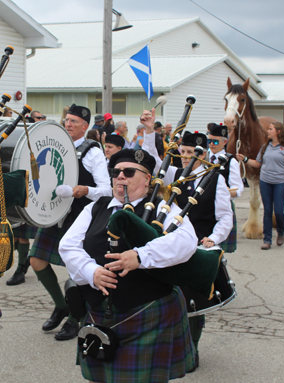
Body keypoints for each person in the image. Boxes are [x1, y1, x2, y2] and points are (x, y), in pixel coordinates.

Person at [59, 148, 197, 382]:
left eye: (129, 172)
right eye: (116, 172)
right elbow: (68, 245)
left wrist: (141, 256)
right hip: (100, 312)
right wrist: (91, 272)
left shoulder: (164, 209)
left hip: (149, 311)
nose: (120, 176)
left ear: (147, 180)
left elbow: (186, 242)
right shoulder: (96, 207)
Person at [141, 109, 232, 370]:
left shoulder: (217, 180)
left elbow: (225, 218)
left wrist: (213, 240)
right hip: (174, 243)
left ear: (203, 155)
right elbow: (153, 164)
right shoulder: (175, 175)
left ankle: (193, 345)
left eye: (192, 153)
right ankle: (170, 343)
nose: (186, 157)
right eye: (183, 152)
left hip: (200, 245)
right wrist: (150, 132)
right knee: (171, 295)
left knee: (195, 302)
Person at [29, 104, 111, 341]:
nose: (68, 124)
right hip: (54, 213)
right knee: (36, 260)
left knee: (77, 271)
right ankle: (60, 305)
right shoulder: (56, 144)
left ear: (85, 126)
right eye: (67, 120)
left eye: (74, 121)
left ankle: (75, 318)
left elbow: (106, 190)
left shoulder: (93, 151)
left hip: (80, 216)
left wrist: (83, 189)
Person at [236, 121, 284, 250]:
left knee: (278, 211)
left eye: (270, 129)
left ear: (278, 131)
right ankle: (267, 239)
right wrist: (244, 159)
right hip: (265, 182)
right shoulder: (265, 147)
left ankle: (280, 232)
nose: (268, 131)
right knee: (267, 211)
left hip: (280, 183)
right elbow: (258, 163)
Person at [207, 122, 244, 254]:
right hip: (204, 206)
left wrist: (221, 193)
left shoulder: (230, 161)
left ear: (224, 142)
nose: (211, 144)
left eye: (215, 142)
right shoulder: (204, 158)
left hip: (222, 207)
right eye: (209, 141)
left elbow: (238, 188)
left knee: (219, 250)